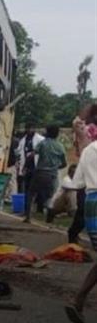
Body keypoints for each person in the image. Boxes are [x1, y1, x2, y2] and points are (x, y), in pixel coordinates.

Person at [67, 140, 97, 323]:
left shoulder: (89, 149)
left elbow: (77, 183)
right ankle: (78, 300)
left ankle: (78, 301)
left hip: (91, 205)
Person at [24, 125, 66, 223]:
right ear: (57, 134)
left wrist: (26, 164)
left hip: (40, 173)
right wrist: (55, 167)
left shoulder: (43, 143)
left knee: (31, 193)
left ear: (47, 132)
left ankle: (28, 217)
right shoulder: (60, 146)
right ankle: (49, 214)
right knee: (51, 196)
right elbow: (64, 164)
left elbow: (32, 154)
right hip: (52, 175)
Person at [68, 104, 97, 243]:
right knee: (83, 211)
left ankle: (74, 234)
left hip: (87, 171)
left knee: (85, 209)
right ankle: (73, 234)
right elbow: (76, 123)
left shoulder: (85, 130)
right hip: (88, 173)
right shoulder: (85, 129)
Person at [17, 124, 43, 195]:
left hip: (36, 166)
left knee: (36, 187)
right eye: (28, 128)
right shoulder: (23, 140)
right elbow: (19, 153)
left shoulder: (40, 139)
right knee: (26, 186)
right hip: (26, 167)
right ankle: (27, 200)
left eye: (31, 128)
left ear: (34, 129)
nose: (29, 130)